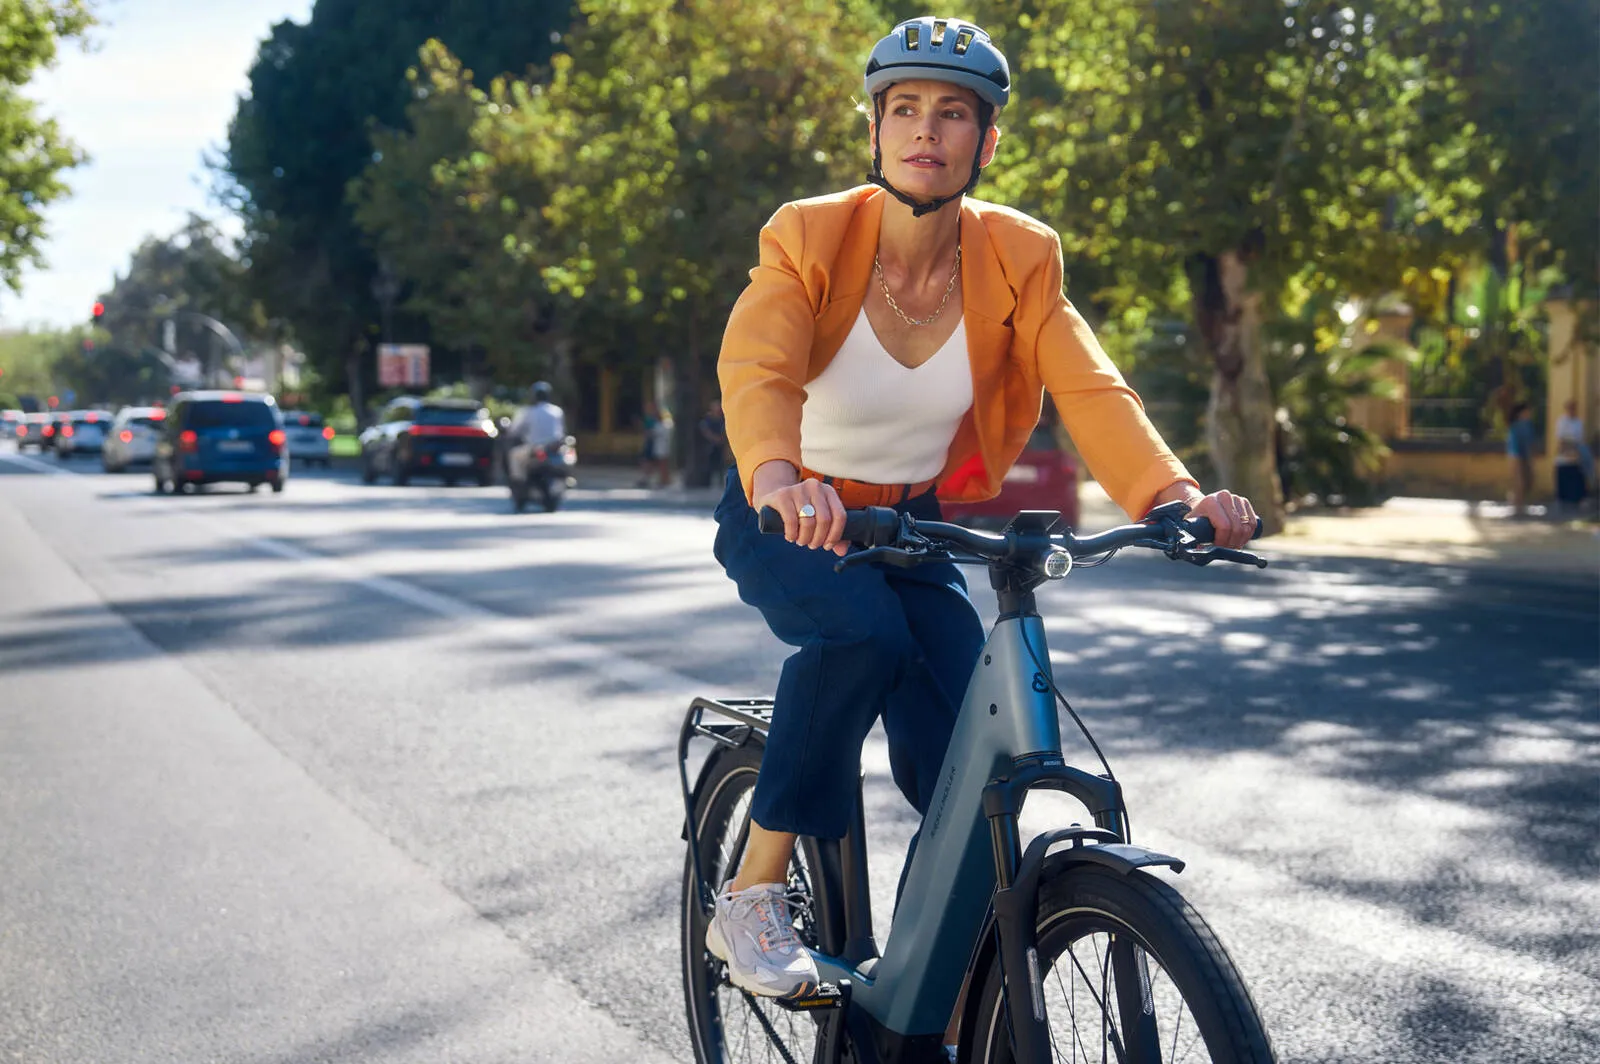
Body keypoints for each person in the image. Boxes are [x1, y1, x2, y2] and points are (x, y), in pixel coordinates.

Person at [706, 13, 1260, 1032]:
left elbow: (1090, 385)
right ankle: (752, 890)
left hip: (907, 524)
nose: (926, 130)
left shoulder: (1018, 254)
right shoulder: (807, 233)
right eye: (904, 109)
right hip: (787, 511)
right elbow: (760, 363)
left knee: (967, 758)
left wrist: (1174, 500)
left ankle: (929, 983)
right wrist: (780, 474)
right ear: (874, 131)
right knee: (857, 637)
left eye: (952, 112)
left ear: (986, 139)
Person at [1553, 399, 1591, 510]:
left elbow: (1579, 438)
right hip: (1564, 449)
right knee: (1562, 468)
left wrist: (1575, 450)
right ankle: (1561, 498)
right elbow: (1561, 438)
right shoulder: (1561, 421)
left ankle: (1579, 498)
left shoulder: (1578, 422)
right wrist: (1566, 449)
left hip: (1575, 448)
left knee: (1579, 471)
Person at [509, 381, 565, 448]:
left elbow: (514, 431)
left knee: (513, 454)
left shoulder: (526, 412)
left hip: (533, 448)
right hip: (554, 448)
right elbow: (561, 432)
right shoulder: (557, 410)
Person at [1506, 401, 1536, 516]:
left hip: (1525, 455)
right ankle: (1516, 505)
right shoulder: (1515, 426)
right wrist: (1515, 457)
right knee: (1519, 481)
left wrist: (1530, 458)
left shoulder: (1528, 425)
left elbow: (1530, 443)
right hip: (1515, 454)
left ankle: (1519, 503)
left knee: (1527, 480)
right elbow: (1513, 442)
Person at [637, 399, 674, 488]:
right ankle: (657, 479)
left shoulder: (662, 423)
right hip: (655, 444)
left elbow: (653, 432)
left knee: (662, 462)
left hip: (660, 444)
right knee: (652, 461)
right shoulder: (651, 420)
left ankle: (665, 479)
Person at [695, 398, 728, 486]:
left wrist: (721, 439)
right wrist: (714, 438)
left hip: (720, 445)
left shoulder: (722, 419)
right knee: (709, 465)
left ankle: (720, 482)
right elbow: (705, 430)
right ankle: (708, 482)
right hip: (710, 446)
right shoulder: (708, 419)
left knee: (720, 464)